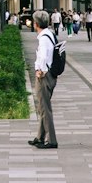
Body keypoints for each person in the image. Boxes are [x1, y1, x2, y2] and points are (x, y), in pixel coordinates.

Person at [28, 9, 59, 149]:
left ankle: (51, 140)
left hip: (44, 75)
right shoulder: (49, 35)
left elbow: (43, 56)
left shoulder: (44, 38)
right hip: (50, 74)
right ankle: (40, 136)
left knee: (45, 108)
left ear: (36, 24)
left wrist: (40, 71)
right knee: (42, 106)